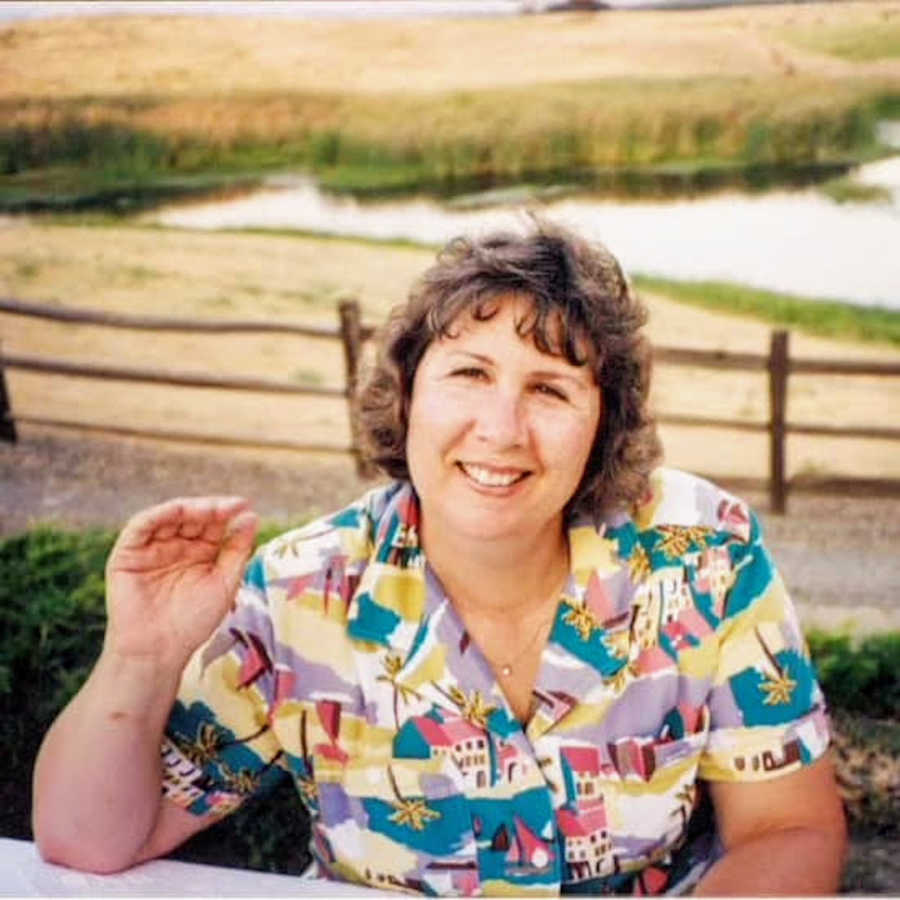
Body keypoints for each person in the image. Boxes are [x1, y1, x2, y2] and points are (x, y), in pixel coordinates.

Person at [33, 222, 846, 895]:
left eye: (551, 389)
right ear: (409, 393)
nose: (501, 428)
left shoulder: (706, 553)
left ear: (605, 425)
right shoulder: (300, 591)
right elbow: (87, 840)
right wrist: (141, 654)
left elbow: (789, 829)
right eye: (469, 373)